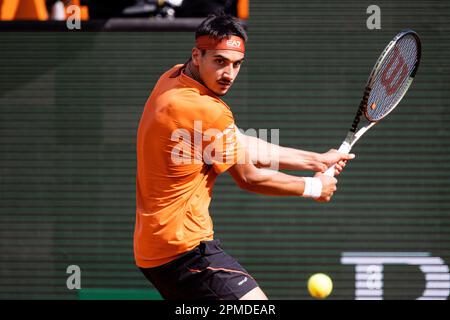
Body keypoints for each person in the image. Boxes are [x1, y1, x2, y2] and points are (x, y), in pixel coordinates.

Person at [134, 13, 354, 300]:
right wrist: (313, 187)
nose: (229, 74)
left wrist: (316, 160)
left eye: (236, 64)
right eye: (220, 61)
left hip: (152, 250)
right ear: (197, 55)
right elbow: (249, 177)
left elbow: (240, 143)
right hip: (185, 249)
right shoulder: (207, 110)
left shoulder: (173, 77)